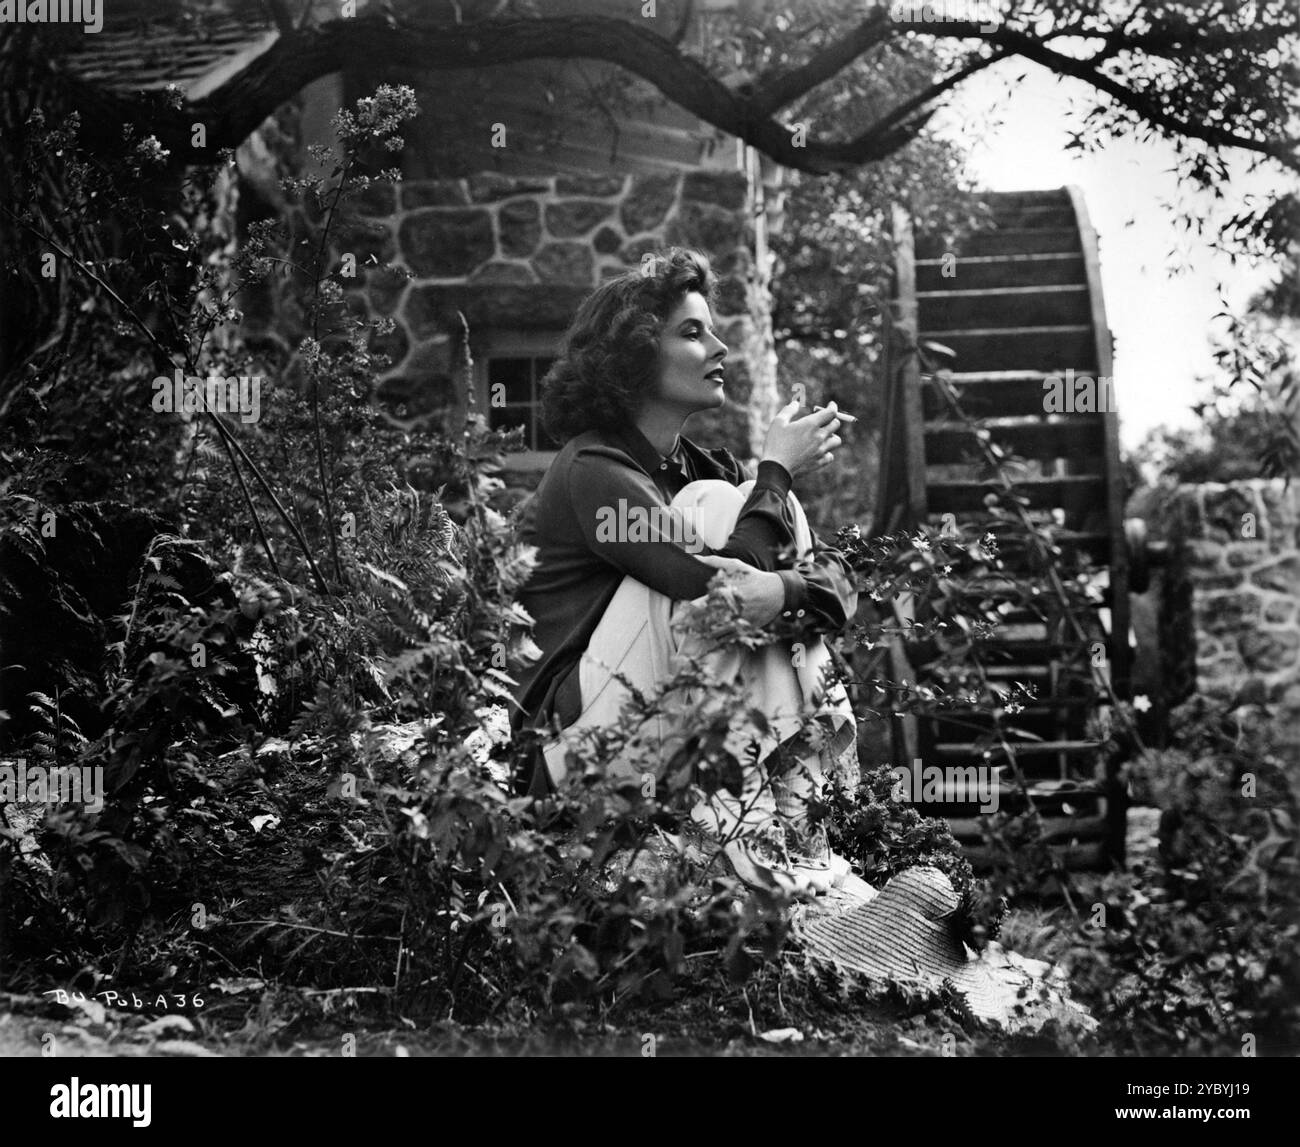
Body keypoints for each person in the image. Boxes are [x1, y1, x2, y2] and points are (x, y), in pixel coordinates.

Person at [510, 247, 859, 888]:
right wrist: (774, 474)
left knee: (762, 508)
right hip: (571, 752)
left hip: (651, 727)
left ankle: (789, 799)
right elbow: (715, 592)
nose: (720, 347)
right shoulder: (594, 469)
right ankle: (739, 814)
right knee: (732, 504)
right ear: (635, 356)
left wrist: (786, 584)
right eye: (692, 333)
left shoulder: (696, 464)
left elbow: (838, 582)